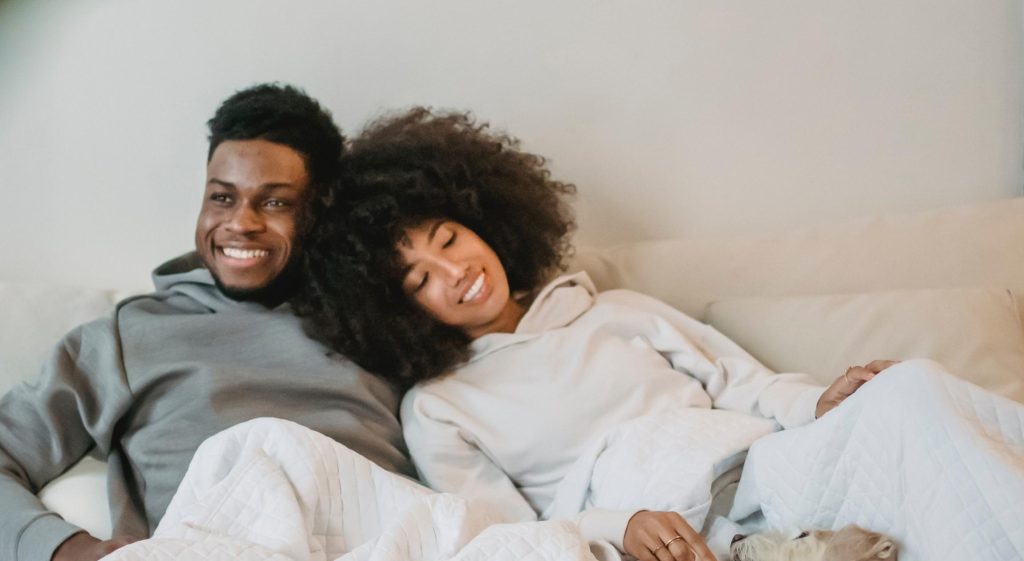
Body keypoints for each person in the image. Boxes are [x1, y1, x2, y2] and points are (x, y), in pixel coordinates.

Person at [293, 108, 896, 561]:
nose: (457, 273)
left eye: (450, 239)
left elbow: (743, 382)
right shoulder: (438, 408)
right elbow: (507, 537)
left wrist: (817, 403)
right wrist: (618, 525)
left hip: (764, 465)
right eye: (421, 278)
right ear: (396, 311)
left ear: (482, 221)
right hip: (665, 532)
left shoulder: (615, 310)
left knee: (912, 393)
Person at [0, 83, 413, 561]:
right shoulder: (128, 336)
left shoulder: (383, 323)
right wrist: (67, 548)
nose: (240, 223)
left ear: (318, 211)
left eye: (275, 202)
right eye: (222, 197)